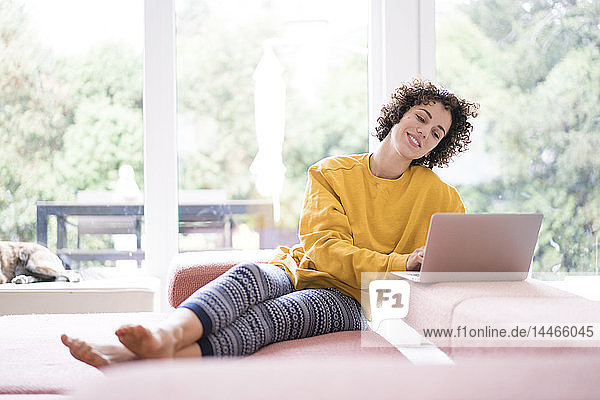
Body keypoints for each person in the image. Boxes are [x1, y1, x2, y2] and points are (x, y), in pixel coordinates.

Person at [61, 78, 478, 366]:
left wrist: (427, 267)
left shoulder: (442, 198)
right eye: (421, 117)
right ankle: (164, 337)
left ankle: (139, 359)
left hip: (353, 301)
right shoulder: (331, 172)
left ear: (438, 147)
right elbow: (324, 251)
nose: (425, 131)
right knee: (248, 278)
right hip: (299, 269)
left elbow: (454, 259)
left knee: (276, 317)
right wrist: (402, 262)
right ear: (400, 113)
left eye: (438, 132)